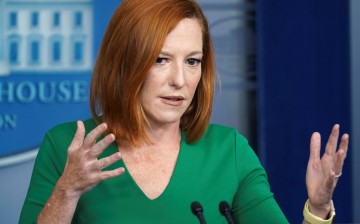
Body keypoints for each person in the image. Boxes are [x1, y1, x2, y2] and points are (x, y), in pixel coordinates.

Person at [19, 0, 349, 223]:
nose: (180, 80)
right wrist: (67, 191)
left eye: (192, 61)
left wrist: (318, 210)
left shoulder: (228, 151)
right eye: (161, 60)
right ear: (123, 63)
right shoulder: (67, 145)